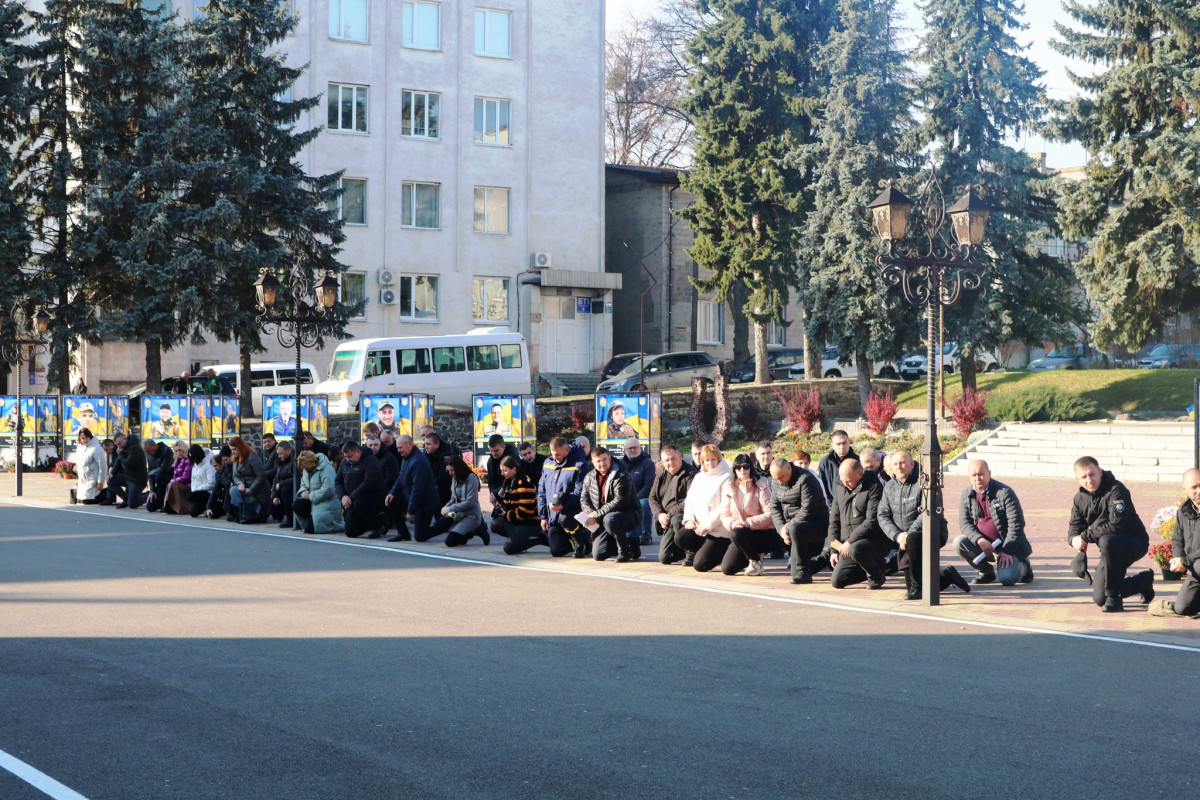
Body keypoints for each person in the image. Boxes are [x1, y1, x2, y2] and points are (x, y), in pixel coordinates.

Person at [879, 450, 971, 600]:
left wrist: (908, 534)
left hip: (932, 531)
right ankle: (947, 575)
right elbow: (882, 514)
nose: (898, 467)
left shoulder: (925, 483)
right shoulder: (889, 486)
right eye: (895, 464)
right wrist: (898, 535)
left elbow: (928, 510)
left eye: (902, 463)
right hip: (904, 538)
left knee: (913, 540)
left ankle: (917, 587)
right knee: (918, 584)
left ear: (911, 464)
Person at [1067, 456, 1154, 612]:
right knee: (1100, 599)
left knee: (1108, 540)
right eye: (1084, 477)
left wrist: (1086, 536)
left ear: (1100, 472)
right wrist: (1074, 540)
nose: (1089, 480)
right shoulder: (1079, 497)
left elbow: (1116, 526)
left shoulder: (1116, 490)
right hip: (1109, 552)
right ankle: (1142, 582)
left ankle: (1114, 597)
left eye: (1092, 474)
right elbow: (1074, 527)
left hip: (1132, 543)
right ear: (1077, 479)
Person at [954, 459, 1034, 585]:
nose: (977, 478)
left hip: (1007, 546)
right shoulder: (966, 495)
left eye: (981, 474)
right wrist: (979, 540)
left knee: (1007, 579)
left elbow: (1017, 523)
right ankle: (986, 572)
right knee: (959, 542)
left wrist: (1008, 550)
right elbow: (964, 523)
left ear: (989, 473)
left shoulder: (1004, 492)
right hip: (983, 545)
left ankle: (1024, 566)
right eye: (974, 475)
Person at [827, 458, 890, 589]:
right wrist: (833, 549)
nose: (845, 483)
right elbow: (834, 520)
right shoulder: (841, 488)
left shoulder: (874, 488)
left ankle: (876, 576)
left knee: (857, 549)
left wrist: (850, 542)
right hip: (846, 545)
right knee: (837, 581)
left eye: (848, 480)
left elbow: (871, 521)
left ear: (860, 474)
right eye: (842, 479)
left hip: (870, 542)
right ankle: (870, 568)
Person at [769, 457, 829, 584]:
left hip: (815, 524)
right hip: (791, 527)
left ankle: (804, 571)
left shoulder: (806, 479)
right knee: (794, 571)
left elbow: (808, 510)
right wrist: (781, 529)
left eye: (782, 477)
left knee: (798, 570)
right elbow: (774, 508)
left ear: (789, 468)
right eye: (776, 479)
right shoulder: (776, 481)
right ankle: (820, 561)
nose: (780, 481)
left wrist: (788, 527)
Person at [1149, 468, 1200, 618]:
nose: (1199, 490)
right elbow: (1177, 539)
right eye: (1194, 487)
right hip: (1196, 567)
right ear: (1184, 489)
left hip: (1196, 564)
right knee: (1183, 608)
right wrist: (1178, 559)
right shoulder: (1183, 511)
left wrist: (1186, 561)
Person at [677, 444, 733, 572]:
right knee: (681, 537)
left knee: (700, 566)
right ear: (702, 461)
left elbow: (724, 506)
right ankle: (705, 550)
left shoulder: (726, 477)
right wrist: (689, 519)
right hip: (699, 527)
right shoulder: (698, 477)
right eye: (707, 460)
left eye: (713, 459)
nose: (710, 463)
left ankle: (724, 551)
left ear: (719, 459)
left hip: (719, 531)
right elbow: (689, 500)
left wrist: (708, 526)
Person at [580, 446, 641, 561]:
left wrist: (597, 515)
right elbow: (584, 499)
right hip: (602, 517)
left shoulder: (622, 475)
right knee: (598, 555)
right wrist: (590, 513)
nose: (602, 463)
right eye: (598, 461)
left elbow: (620, 501)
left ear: (609, 457)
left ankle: (625, 551)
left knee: (610, 519)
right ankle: (630, 544)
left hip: (628, 514)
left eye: (604, 459)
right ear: (593, 462)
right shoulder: (589, 477)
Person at [720, 453, 775, 576]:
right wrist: (733, 523)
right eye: (738, 467)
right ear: (734, 469)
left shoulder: (761, 484)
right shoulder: (729, 487)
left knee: (736, 532)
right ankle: (750, 556)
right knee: (728, 569)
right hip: (740, 534)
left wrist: (748, 523)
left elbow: (770, 513)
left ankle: (755, 561)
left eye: (746, 466)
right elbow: (724, 513)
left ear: (751, 467)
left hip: (761, 533)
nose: (742, 470)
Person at [536, 436, 590, 558]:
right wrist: (543, 516)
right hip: (553, 516)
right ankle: (583, 541)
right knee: (556, 551)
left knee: (565, 518)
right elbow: (542, 490)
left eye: (558, 455)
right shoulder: (548, 463)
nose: (555, 458)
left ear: (567, 450)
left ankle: (580, 542)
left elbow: (580, 492)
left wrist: (563, 505)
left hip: (571, 512)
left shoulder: (580, 465)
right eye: (553, 454)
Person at [650, 444, 698, 565]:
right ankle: (683, 549)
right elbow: (652, 497)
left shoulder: (692, 474)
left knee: (677, 520)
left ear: (680, 456)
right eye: (667, 460)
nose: (671, 463)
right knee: (665, 558)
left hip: (685, 517)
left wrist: (669, 515)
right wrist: (659, 514)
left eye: (673, 458)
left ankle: (691, 550)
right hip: (666, 520)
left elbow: (689, 500)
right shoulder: (660, 474)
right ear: (662, 461)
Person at [386, 435, 439, 542]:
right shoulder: (407, 457)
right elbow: (401, 476)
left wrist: (411, 510)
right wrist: (392, 492)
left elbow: (418, 489)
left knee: (420, 536)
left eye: (400, 447)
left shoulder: (418, 461)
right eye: (397, 447)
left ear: (409, 444)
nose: (398, 450)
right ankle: (403, 534)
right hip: (410, 497)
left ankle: (445, 524)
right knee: (391, 502)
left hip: (425, 503)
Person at [495, 455, 546, 555]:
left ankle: (539, 538)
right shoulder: (509, 481)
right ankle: (517, 538)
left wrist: (506, 514)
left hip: (530, 521)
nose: (502, 473)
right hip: (519, 520)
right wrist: (499, 499)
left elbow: (526, 511)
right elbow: (509, 505)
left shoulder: (523, 482)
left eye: (505, 470)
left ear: (514, 469)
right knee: (495, 524)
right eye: (501, 470)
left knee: (509, 548)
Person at [434, 454, 487, 546]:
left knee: (450, 542)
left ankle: (476, 530)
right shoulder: (454, 478)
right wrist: (446, 507)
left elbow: (469, 502)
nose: (450, 473)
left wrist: (450, 508)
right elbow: (453, 498)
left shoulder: (471, 478)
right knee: (440, 523)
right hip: (458, 514)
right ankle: (465, 534)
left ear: (459, 468)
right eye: (449, 471)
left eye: (452, 470)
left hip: (471, 514)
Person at [336, 440, 385, 538]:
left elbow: (368, 482)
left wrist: (351, 497)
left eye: (350, 456)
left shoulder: (370, 460)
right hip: (350, 499)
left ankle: (378, 525)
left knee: (360, 504)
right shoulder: (344, 463)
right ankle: (373, 524)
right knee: (350, 532)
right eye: (345, 457)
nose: (347, 459)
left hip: (368, 497)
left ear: (358, 452)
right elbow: (338, 481)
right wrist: (343, 496)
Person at [293, 451, 344, 535]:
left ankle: (338, 525)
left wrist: (311, 495)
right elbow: (303, 484)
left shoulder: (327, 469)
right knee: (297, 504)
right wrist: (303, 492)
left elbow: (329, 489)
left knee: (311, 530)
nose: (304, 470)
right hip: (314, 500)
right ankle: (310, 522)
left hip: (327, 502)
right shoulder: (307, 469)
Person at [621, 437, 656, 548]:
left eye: (635, 448)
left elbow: (649, 486)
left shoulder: (648, 463)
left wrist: (634, 499)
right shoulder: (620, 464)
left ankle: (645, 535)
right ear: (625, 450)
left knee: (644, 504)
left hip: (642, 496)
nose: (632, 450)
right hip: (624, 497)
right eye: (629, 448)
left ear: (640, 448)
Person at [228, 436, 270, 524]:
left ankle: (250, 513)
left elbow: (261, 475)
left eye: (234, 449)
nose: (233, 452)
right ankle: (241, 514)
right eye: (231, 449)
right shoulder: (235, 459)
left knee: (234, 491)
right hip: (244, 487)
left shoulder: (252, 457)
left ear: (240, 447)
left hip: (258, 490)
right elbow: (235, 476)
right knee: (233, 490)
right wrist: (240, 484)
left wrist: (251, 490)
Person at [366, 435, 399, 533]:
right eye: (370, 445)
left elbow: (391, 478)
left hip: (386, 490)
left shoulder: (389, 458)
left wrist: (374, 488)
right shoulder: (366, 458)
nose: (373, 447)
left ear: (380, 445)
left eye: (375, 444)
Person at [817, 430, 857, 503]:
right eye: (838, 444)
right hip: (832, 505)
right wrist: (830, 506)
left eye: (844, 443)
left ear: (849, 442)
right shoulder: (825, 462)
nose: (842, 447)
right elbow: (821, 486)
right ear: (832, 445)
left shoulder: (858, 461)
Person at [423, 432, 456, 509]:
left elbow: (443, 476)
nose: (426, 447)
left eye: (429, 444)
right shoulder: (427, 456)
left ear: (437, 445)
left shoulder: (445, 456)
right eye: (425, 444)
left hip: (445, 491)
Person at [74, 428, 108, 504]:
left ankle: (106, 494)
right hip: (83, 479)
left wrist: (101, 482)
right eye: (82, 438)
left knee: (87, 500)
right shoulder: (80, 447)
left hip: (92, 479)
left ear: (90, 437)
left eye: (87, 437)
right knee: (80, 500)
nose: (85, 440)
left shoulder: (96, 448)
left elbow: (102, 466)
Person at [142, 437, 174, 512]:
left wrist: (149, 473)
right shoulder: (148, 455)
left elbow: (164, 469)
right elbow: (150, 474)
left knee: (159, 475)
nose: (148, 453)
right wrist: (152, 491)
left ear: (154, 446)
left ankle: (164, 502)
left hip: (168, 479)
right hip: (158, 482)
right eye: (146, 452)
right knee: (150, 507)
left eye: (148, 450)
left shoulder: (166, 450)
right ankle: (158, 499)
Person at [485, 434, 518, 507]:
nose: (494, 453)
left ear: (503, 447)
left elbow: (513, 479)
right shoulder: (490, 461)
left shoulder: (513, 458)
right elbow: (491, 480)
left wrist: (496, 493)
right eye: (491, 450)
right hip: (498, 497)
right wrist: (493, 494)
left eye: (496, 450)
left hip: (512, 496)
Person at [162, 441, 194, 515]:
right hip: (179, 484)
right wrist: (174, 480)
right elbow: (175, 476)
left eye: (180, 450)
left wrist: (174, 480)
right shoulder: (176, 461)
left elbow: (186, 477)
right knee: (170, 484)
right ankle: (170, 506)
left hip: (188, 485)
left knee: (172, 484)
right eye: (176, 451)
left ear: (184, 450)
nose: (178, 452)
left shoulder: (188, 460)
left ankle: (180, 508)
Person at [270, 440, 296, 528]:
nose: (279, 456)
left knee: (286, 490)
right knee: (273, 505)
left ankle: (290, 520)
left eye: (281, 453)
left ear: (288, 450)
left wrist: (281, 484)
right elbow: (275, 480)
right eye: (278, 454)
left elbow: (295, 478)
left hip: (289, 489)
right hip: (280, 490)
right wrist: (274, 496)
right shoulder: (281, 464)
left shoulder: (294, 462)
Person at [204, 446, 234, 519]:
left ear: (221, 463)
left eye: (216, 466)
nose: (215, 469)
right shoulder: (218, 474)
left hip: (230, 495)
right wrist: (209, 507)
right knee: (211, 514)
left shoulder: (231, 466)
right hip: (224, 497)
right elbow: (215, 489)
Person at [186, 444, 216, 518]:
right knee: (193, 513)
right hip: (198, 490)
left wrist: (197, 489)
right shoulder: (195, 464)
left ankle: (210, 505)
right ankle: (204, 507)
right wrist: (194, 490)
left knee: (190, 495)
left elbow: (211, 482)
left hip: (208, 491)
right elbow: (193, 479)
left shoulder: (208, 464)